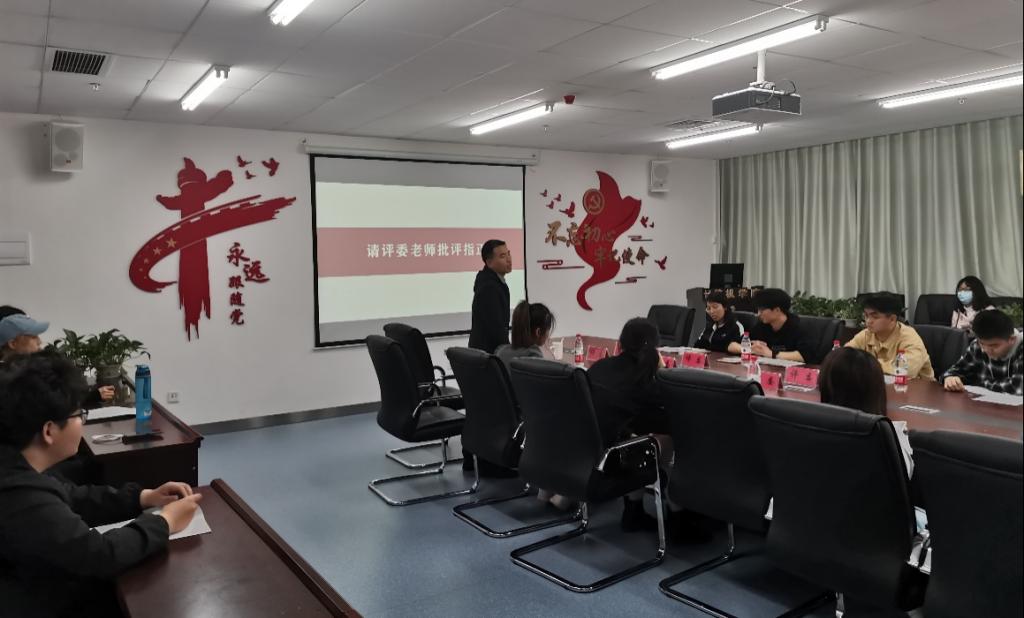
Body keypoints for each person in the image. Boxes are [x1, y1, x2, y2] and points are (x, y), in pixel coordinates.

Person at [0, 353, 202, 617]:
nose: (82, 422)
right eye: (79, 414)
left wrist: (142, 497)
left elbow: (70, 496)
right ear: (49, 431)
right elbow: (100, 555)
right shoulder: (20, 495)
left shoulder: (16, 463)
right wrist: (165, 522)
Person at [587, 319, 674, 534]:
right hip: (609, 462)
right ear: (654, 348)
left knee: (636, 434)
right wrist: (662, 372)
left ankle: (634, 510)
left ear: (621, 342)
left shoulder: (600, 366)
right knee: (669, 437)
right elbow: (667, 414)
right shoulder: (642, 379)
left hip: (583, 454)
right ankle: (677, 514)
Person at [0, 310, 115, 407]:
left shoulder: (29, 369)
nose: (39, 341)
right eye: (33, 337)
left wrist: (92, 396)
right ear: (13, 343)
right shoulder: (10, 379)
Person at [846, 292, 935, 380]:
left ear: (892, 319)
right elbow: (844, 356)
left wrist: (866, 365)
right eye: (866, 316)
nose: (868, 321)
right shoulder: (867, 334)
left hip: (919, 387)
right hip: (881, 386)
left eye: (875, 317)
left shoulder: (909, 337)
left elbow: (906, 370)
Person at [943, 309, 1023, 395]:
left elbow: (1017, 389)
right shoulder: (977, 345)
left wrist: (980, 383)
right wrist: (950, 378)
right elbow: (955, 370)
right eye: (982, 343)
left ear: (1012, 339)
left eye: (994, 345)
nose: (985, 350)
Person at [468, 240, 512, 354]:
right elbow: (496, 329)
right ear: (489, 262)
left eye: (508, 254)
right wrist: (509, 353)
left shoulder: (491, 281)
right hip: (488, 355)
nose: (509, 259)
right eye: (502, 256)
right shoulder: (489, 288)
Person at [748, 288, 816, 362]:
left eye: (761, 310)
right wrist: (754, 347)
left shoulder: (799, 326)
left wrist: (771, 354)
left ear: (777, 310)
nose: (758, 314)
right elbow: (745, 343)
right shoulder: (762, 325)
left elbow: (804, 355)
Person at [495, 301, 554, 370]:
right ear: (538, 332)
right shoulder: (533, 355)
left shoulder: (500, 351)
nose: (548, 336)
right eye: (548, 330)